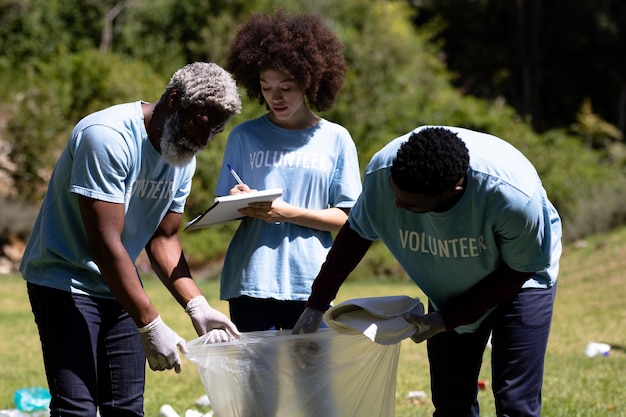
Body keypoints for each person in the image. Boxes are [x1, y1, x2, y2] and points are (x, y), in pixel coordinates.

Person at [20, 62, 242, 417]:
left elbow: (164, 238)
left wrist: (196, 304)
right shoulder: (106, 136)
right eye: (200, 125)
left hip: (119, 285)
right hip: (64, 280)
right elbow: (105, 245)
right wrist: (151, 323)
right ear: (173, 99)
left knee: (126, 409)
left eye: (215, 131)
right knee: (76, 408)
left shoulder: (183, 157)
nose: (204, 141)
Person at [293, 126, 562, 417]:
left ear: (453, 190)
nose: (395, 204)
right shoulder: (383, 176)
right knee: (451, 402)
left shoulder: (513, 199)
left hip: (520, 281)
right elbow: (354, 237)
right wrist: (315, 305)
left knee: (515, 404)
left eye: (410, 204)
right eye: (396, 192)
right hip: (449, 280)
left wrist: (447, 318)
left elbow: (518, 270)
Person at [215, 10, 362, 332]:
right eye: (266, 88)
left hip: (311, 280)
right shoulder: (243, 135)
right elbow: (223, 206)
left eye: (286, 87)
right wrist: (237, 200)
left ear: (309, 82)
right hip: (250, 277)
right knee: (261, 383)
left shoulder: (336, 138)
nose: (275, 98)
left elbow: (348, 218)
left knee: (312, 380)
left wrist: (287, 212)